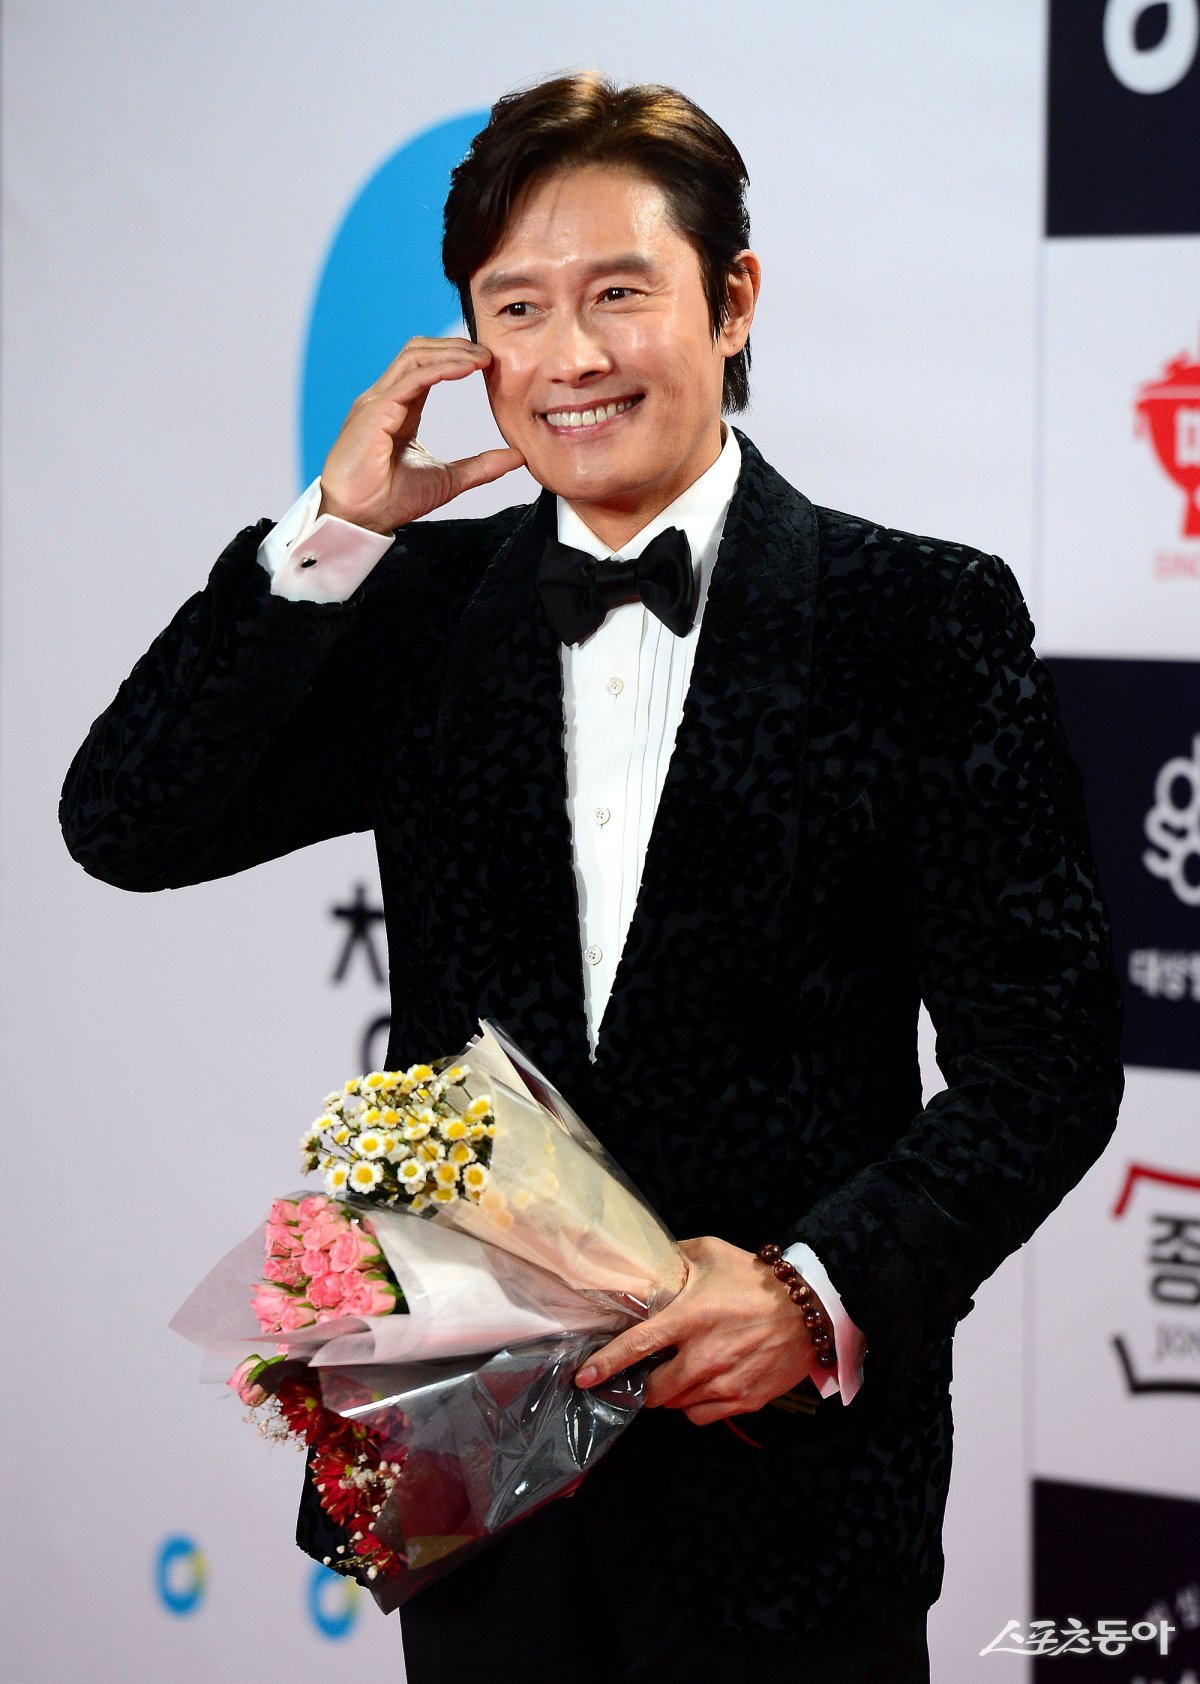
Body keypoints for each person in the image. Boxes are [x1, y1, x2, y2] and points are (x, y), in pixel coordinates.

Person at [60, 72, 1123, 1684]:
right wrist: (332, 536)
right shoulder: (412, 607)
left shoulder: (922, 617)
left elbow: (1046, 1057)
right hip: (475, 1488)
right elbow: (126, 822)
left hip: (791, 1513)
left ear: (733, 298)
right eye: (517, 308)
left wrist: (815, 1289)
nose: (568, 357)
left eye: (620, 293)